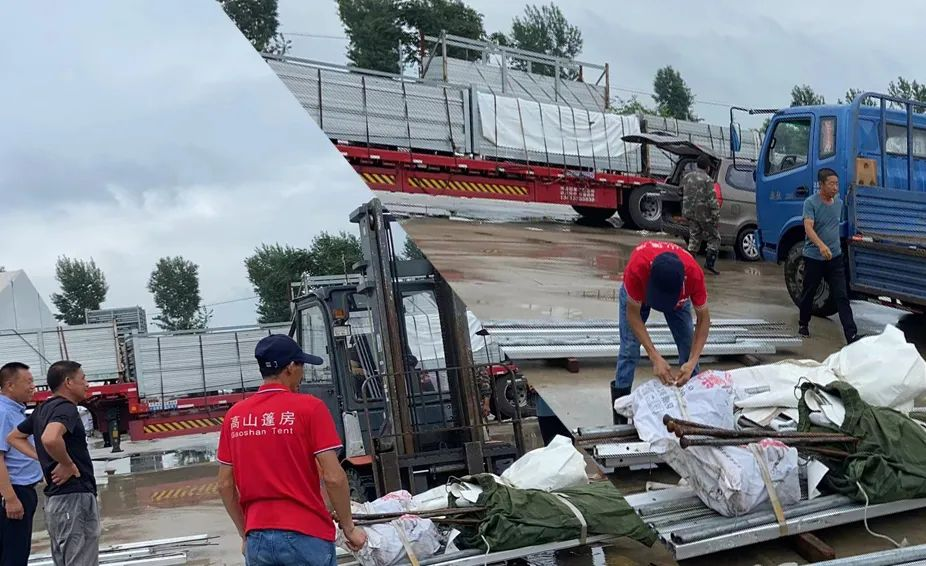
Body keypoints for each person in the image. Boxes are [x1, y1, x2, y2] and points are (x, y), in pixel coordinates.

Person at [217, 334, 367, 566]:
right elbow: (334, 477)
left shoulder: (235, 416)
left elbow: (225, 485)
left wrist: (244, 533)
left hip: (258, 540)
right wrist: (349, 528)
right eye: (301, 365)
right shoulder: (310, 408)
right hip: (306, 536)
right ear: (290, 367)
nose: (303, 373)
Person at [7, 361, 98, 566]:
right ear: (68, 382)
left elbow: (14, 437)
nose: (87, 384)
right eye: (83, 379)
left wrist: (42, 456)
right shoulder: (66, 408)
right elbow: (50, 438)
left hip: (56, 501)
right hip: (74, 497)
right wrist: (66, 463)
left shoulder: (42, 409)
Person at [612, 241, 711, 424]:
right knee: (629, 350)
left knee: (688, 348)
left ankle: (692, 412)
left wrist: (692, 361)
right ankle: (619, 417)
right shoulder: (638, 267)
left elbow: (704, 320)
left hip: (679, 302)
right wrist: (654, 356)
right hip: (638, 294)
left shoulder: (694, 275)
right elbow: (633, 316)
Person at [799, 168, 858, 343]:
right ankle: (803, 323)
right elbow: (808, 227)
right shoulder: (811, 203)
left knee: (841, 294)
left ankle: (851, 334)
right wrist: (821, 245)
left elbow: (835, 226)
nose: (835, 187)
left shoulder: (839, 203)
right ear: (821, 185)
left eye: (837, 184)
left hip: (835, 257)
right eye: (831, 184)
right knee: (809, 291)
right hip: (814, 256)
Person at [0, 363, 43, 566]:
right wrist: (10, 498)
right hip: (14, 493)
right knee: (13, 557)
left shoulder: (15, 411)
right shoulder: (3, 413)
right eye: (28, 382)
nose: (32, 386)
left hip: (22, 491)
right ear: (9, 385)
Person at [682, 154, 721, 275]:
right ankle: (709, 263)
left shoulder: (687, 176)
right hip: (704, 215)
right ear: (707, 167)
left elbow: (682, 191)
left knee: (694, 238)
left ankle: (687, 264)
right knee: (714, 237)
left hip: (690, 213)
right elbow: (712, 200)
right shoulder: (708, 180)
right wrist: (716, 216)